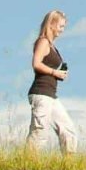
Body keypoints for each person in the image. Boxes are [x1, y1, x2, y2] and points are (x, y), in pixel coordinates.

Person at [26, 9, 79, 154]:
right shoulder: (43, 42)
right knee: (39, 131)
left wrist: (58, 73)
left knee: (68, 129)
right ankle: (28, 164)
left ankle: (69, 166)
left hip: (51, 95)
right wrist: (54, 72)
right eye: (61, 26)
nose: (62, 30)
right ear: (51, 24)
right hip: (41, 93)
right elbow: (36, 64)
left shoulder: (52, 45)